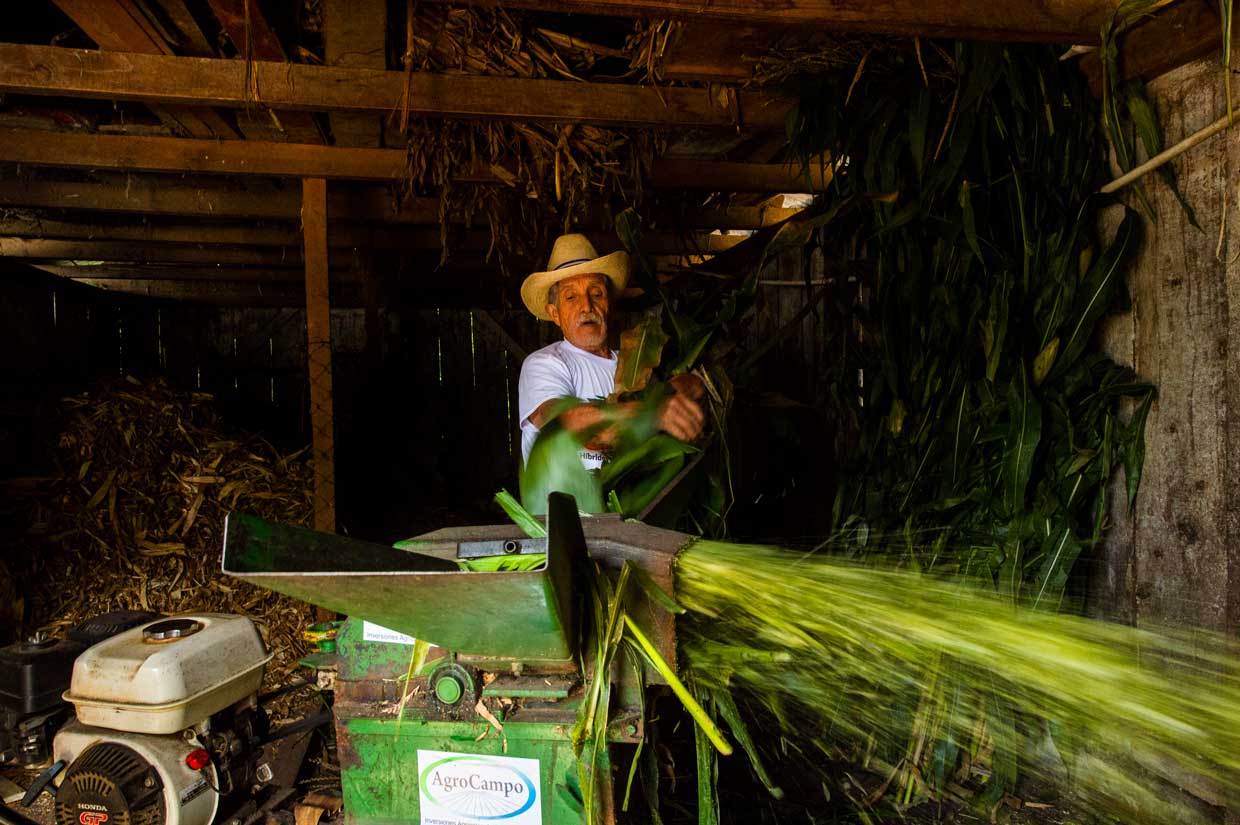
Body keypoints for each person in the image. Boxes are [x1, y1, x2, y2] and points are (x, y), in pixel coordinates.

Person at [517, 234, 705, 470]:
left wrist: (693, 385)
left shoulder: (635, 365)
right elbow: (563, 424)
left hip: (639, 507)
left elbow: (671, 401)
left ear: (609, 303)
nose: (586, 306)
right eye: (571, 297)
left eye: (596, 294)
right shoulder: (545, 363)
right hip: (567, 507)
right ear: (555, 313)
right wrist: (651, 414)